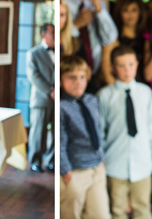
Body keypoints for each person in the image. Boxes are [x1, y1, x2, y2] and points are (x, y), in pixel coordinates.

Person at [97, 45, 152, 219]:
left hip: (142, 163)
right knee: (117, 210)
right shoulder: (105, 95)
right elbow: (100, 129)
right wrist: (100, 157)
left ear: (137, 64)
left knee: (143, 208)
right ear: (112, 68)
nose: (127, 70)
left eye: (131, 64)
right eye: (121, 65)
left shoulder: (145, 92)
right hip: (114, 163)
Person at [59, 56, 108, 219]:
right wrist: (66, 171)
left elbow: (99, 130)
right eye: (71, 78)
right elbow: (60, 143)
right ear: (60, 80)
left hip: (97, 168)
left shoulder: (92, 100)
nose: (78, 82)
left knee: (101, 214)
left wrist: (101, 159)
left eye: (82, 77)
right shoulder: (61, 107)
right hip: (75, 172)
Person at [62, 0, 119, 94]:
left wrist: (98, 7)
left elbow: (110, 38)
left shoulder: (96, 3)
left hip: (96, 76)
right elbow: (58, 40)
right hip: (69, 77)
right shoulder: (62, 2)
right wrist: (75, 24)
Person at [26, 24, 56, 172]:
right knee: (38, 132)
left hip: (59, 99)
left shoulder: (61, 50)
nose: (56, 35)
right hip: (41, 99)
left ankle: (51, 160)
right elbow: (33, 76)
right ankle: (35, 161)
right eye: (53, 32)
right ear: (44, 35)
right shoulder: (33, 53)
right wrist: (51, 91)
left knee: (56, 132)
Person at [102, 0, 148, 85]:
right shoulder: (113, 38)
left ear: (140, 13)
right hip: (118, 88)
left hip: (141, 87)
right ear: (120, 13)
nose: (130, 14)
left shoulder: (145, 38)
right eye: (125, 10)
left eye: (134, 10)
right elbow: (106, 70)